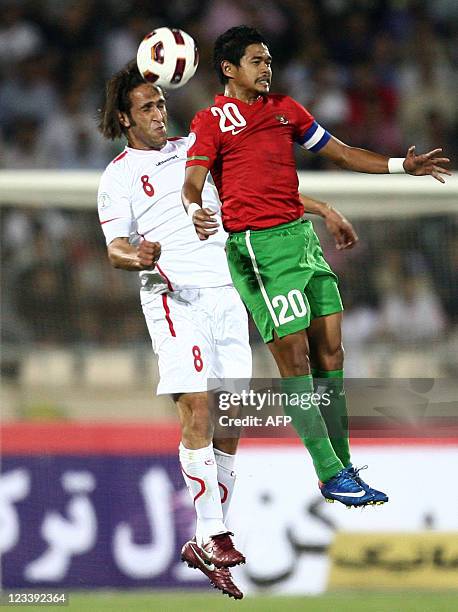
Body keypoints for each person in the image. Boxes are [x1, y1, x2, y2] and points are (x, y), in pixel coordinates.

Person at [96, 60, 358, 599]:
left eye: (161, 103)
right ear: (125, 118)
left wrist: (322, 207)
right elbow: (115, 247)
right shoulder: (118, 175)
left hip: (227, 293)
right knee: (200, 406)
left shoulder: (199, 145)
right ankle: (211, 532)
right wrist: (137, 255)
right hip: (175, 297)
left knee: (232, 419)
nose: (158, 112)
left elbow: (263, 191)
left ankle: (207, 535)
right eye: (147, 107)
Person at [182, 26, 451, 508]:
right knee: (295, 362)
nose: (267, 68)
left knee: (332, 353)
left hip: (303, 242)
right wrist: (193, 210)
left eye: (269, 60)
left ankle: (343, 469)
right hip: (258, 251)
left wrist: (397, 167)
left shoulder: (286, 110)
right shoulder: (210, 121)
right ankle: (328, 471)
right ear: (229, 68)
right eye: (257, 61)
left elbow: (344, 153)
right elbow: (193, 183)